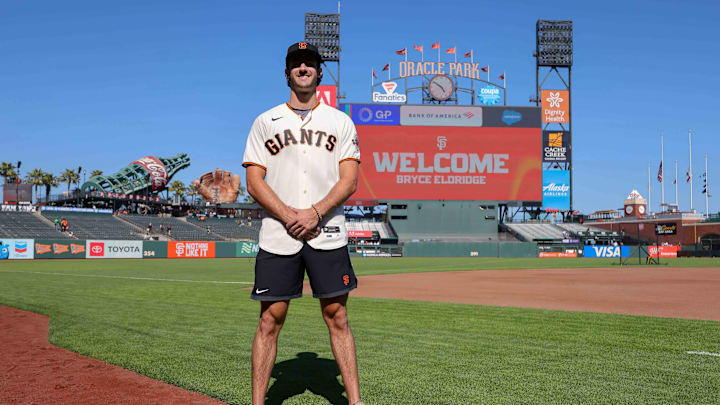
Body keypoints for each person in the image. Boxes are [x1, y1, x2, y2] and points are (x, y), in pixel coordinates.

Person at [242, 41, 363, 405]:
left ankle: (355, 402)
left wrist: (314, 212)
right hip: (279, 234)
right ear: (287, 73)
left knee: (337, 316)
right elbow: (254, 181)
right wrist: (289, 215)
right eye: (296, 63)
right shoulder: (265, 121)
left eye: (309, 63)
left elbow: (349, 180)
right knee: (269, 320)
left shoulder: (340, 121)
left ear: (319, 72)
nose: (303, 68)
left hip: (327, 231)